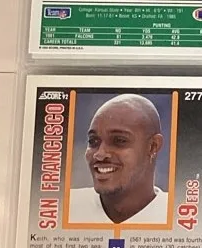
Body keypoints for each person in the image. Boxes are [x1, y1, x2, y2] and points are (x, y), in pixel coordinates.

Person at [68, 94, 168, 225]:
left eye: (119, 140)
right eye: (93, 141)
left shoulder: (180, 215)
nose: (100, 154)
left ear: (153, 146)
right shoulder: (64, 206)